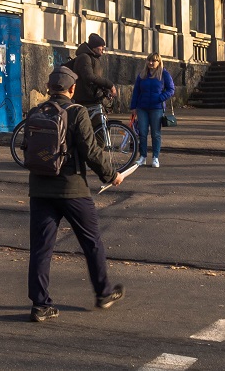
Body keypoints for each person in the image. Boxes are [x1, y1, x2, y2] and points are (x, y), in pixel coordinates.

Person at [23, 66, 125, 322]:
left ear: (49, 89)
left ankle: (40, 305)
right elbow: (91, 151)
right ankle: (103, 293)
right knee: (91, 242)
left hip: (40, 188)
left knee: (40, 248)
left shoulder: (35, 112)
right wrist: (111, 174)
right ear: (72, 89)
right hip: (72, 190)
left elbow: (27, 149)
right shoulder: (77, 112)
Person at [129, 53, 175, 168]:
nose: (150, 63)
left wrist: (160, 98)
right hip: (142, 107)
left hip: (157, 108)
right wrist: (133, 107)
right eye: (149, 60)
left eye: (154, 61)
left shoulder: (164, 74)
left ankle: (155, 157)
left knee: (155, 133)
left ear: (159, 62)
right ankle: (142, 156)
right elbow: (136, 92)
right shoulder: (142, 74)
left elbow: (171, 89)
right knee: (142, 133)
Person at [68, 33, 115, 108]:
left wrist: (106, 90)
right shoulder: (84, 58)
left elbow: (97, 78)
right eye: (101, 46)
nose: (103, 49)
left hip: (94, 98)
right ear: (94, 47)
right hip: (84, 100)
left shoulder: (95, 59)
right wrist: (109, 84)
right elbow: (89, 76)